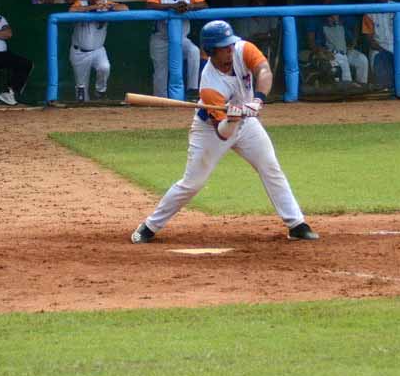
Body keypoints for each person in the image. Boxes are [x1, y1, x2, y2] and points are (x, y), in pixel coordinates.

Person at [130, 20, 318, 244]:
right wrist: (232, 118)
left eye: (230, 44)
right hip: (211, 131)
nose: (230, 49)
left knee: (270, 166)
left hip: (247, 125)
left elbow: (264, 70)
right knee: (192, 183)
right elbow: (223, 134)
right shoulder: (209, 86)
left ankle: (296, 224)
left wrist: (258, 100)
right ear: (211, 51)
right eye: (223, 47)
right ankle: (150, 226)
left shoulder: (243, 49)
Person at [146, 0, 208, 98]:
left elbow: (204, 4)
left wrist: (189, 6)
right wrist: (172, 6)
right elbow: (149, 5)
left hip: (181, 39)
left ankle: (193, 88)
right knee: (160, 72)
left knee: (194, 51)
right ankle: (160, 100)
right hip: (161, 39)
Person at [68, 0, 128, 101]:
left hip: (98, 50)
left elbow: (125, 8)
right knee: (81, 88)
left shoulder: (105, 3)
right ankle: (83, 110)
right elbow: (71, 11)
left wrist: (109, 6)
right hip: (79, 52)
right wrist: (93, 7)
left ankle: (100, 91)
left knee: (105, 67)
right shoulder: (81, 3)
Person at [305, 0, 369, 85]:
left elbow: (355, 25)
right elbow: (311, 41)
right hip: (327, 52)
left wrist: (353, 43)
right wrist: (320, 51)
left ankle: (362, 88)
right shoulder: (314, 15)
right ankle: (347, 89)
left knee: (362, 60)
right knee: (342, 60)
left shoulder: (339, 11)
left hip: (344, 50)